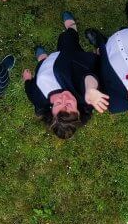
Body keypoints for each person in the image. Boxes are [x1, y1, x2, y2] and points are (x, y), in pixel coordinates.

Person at [22, 10, 109, 139]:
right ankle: (71, 27)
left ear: (51, 111)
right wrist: (91, 89)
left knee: (42, 62)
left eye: (58, 104)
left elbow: (31, 92)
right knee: (69, 37)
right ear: (78, 111)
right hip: (70, 54)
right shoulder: (84, 97)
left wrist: (28, 81)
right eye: (69, 105)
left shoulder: (40, 101)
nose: (63, 98)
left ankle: (42, 57)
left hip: (45, 67)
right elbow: (89, 77)